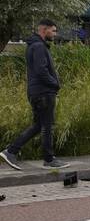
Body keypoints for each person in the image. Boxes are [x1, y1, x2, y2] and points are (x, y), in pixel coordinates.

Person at [1, 20, 70, 170]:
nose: (55, 34)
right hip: (43, 93)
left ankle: (11, 151)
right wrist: (55, 84)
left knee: (39, 125)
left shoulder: (34, 46)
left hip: (37, 92)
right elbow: (41, 71)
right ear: (44, 30)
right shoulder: (39, 47)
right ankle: (49, 159)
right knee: (47, 126)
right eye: (53, 31)